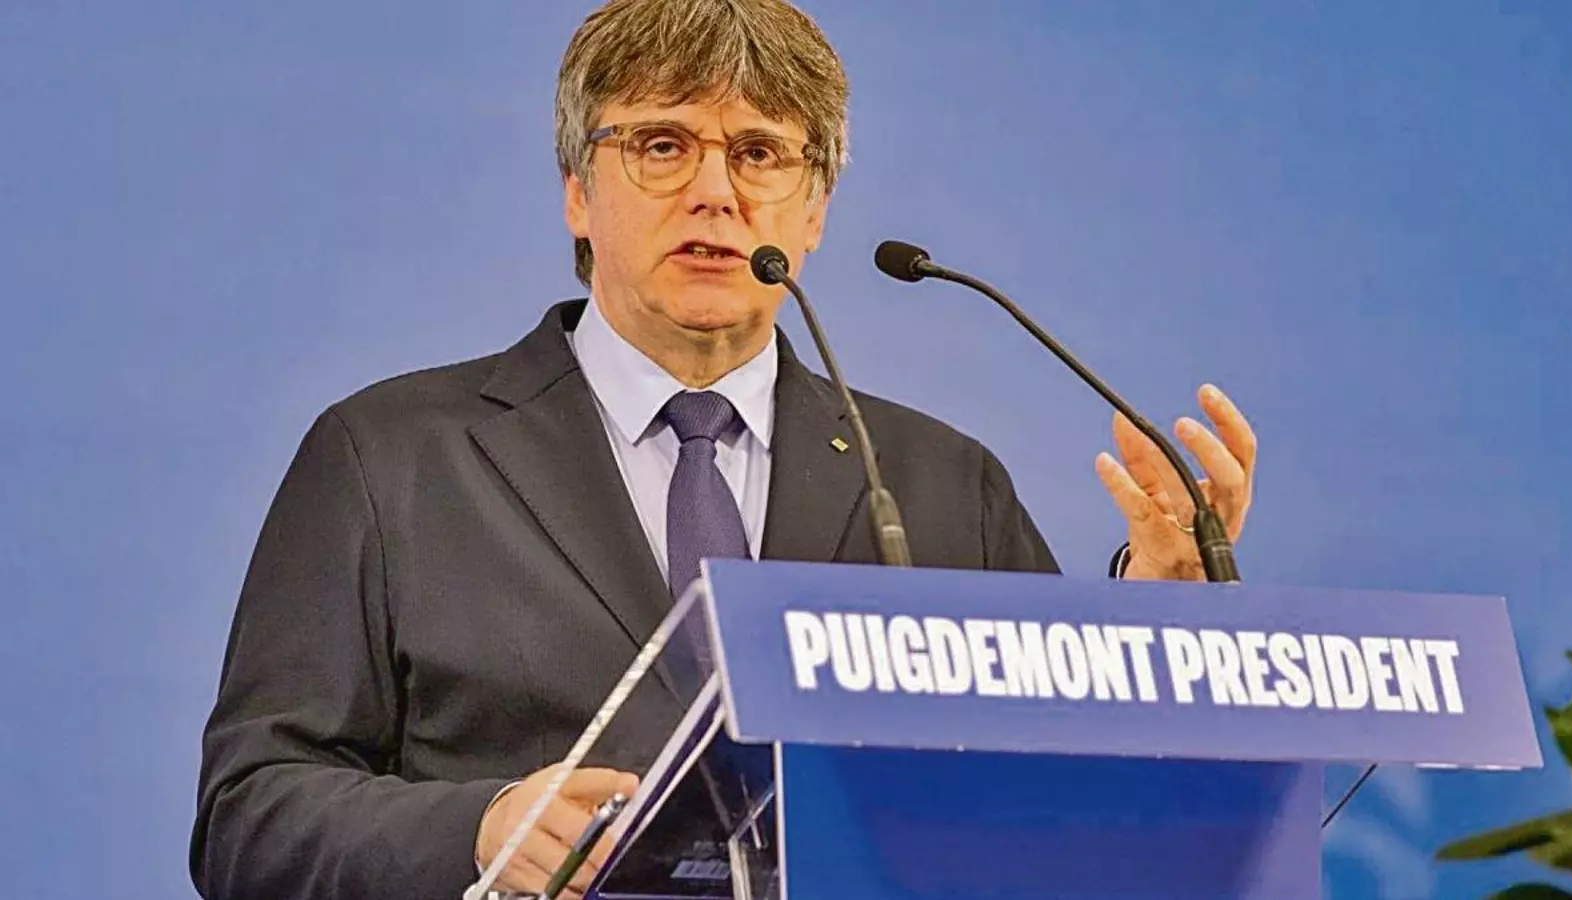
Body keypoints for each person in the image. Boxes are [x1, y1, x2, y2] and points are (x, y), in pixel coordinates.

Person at [189, 1, 1258, 898]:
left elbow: (1060, 800)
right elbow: (250, 813)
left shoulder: (941, 484)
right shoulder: (391, 458)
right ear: (577, 191)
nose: (715, 190)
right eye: (661, 145)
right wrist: (485, 829)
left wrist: (1155, 628)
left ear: (815, 209)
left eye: (759, 153)